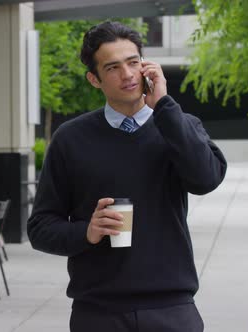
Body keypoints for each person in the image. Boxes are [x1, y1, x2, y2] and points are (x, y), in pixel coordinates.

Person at [27, 21, 226, 332]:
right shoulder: (70, 139)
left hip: (172, 308)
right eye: (113, 67)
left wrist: (164, 106)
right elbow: (40, 228)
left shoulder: (179, 124)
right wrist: (86, 233)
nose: (128, 74)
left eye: (134, 62)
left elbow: (206, 180)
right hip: (98, 312)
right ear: (94, 79)